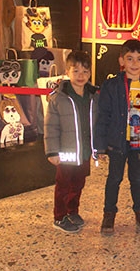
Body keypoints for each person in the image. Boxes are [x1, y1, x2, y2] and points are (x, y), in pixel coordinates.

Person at [96, 39, 140, 235]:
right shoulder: (111, 85)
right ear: (121, 61)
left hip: (139, 143)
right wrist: (100, 146)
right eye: (129, 58)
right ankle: (109, 213)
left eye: (139, 59)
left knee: (137, 179)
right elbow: (103, 116)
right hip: (116, 142)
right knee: (114, 179)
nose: (134, 63)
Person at [44, 50, 99, 234]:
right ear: (67, 72)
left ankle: (72, 211)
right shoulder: (59, 97)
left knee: (78, 183)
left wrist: (99, 147)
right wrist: (52, 151)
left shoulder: (93, 96)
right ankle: (59, 217)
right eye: (76, 71)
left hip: (84, 151)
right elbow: (51, 126)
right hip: (66, 152)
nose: (80, 75)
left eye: (85, 71)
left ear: (90, 73)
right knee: (63, 185)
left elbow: (98, 122)